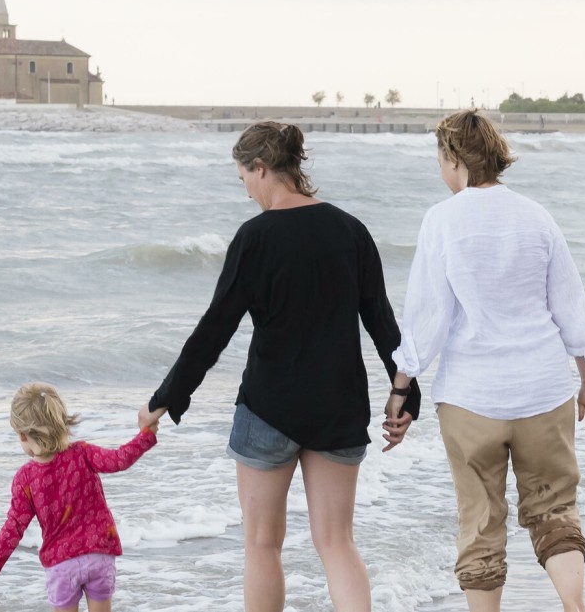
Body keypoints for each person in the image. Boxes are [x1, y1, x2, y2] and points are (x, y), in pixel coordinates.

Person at [137, 121, 418, 612]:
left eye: (243, 175)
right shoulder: (350, 230)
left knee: (262, 545)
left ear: (261, 168)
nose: (245, 188)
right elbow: (384, 324)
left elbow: (214, 329)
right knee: (336, 543)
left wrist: (166, 398)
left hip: (269, 408)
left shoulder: (255, 237)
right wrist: (405, 395)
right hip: (339, 408)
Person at [382, 109, 585, 612]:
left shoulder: (442, 219)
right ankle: (575, 606)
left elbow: (426, 318)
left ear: (454, 159)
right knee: (555, 511)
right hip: (544, 390)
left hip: (471, 399)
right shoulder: (536, 215)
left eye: (440, 158)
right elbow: (570, 308)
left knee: (480, 521)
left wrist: (401, 389)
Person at [0, 383, 159, 612]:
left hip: (62, 564)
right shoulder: (83, 453)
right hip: (99, 553)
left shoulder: (25, 478)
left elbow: (14, 528)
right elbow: (119, 460)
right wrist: (146, 435)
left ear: (23, 435)